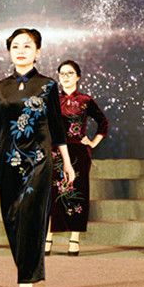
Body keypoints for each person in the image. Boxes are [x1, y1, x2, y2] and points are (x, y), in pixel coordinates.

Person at [0, 28, 75, 287]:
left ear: (37, 51)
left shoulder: (48, 85)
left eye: (27, 46)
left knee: (31, 219)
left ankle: (25, 285)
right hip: (7, 163)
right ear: (9, 51)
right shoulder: (0, 87)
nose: (21, 51)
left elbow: (57, 128)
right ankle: (27, 271)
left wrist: (67, 162)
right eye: (15, 46)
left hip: (38, 162)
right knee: (12, 219)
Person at [46, 60, 108, 257]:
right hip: (55, 152)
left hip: (79, 153)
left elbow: (103, 122)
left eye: (70, 73)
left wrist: (93, 142)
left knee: (77, 193)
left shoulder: (85, 100)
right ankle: (48, 237)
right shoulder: (51, 100)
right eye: (62, 73)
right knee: (53, 194)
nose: (65, 77)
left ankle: (74, 238)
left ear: (78, 76)